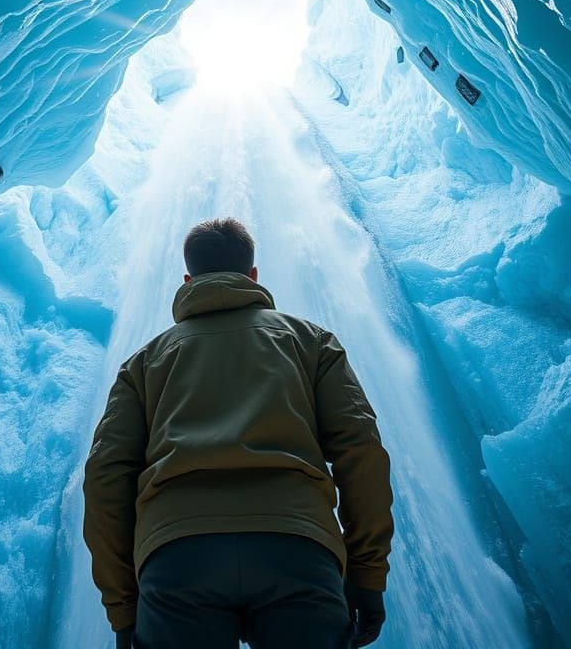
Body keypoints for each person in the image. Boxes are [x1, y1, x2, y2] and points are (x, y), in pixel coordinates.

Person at [83, 217, 394, 649]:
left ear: (188, 280)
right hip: (297, 547)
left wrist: (123, 607)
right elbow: (361, 448)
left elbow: (105, 475)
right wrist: (367, 572)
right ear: (253, 275)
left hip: (177, 556)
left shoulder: (143, 364)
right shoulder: (312, 342)